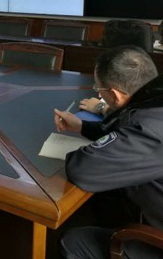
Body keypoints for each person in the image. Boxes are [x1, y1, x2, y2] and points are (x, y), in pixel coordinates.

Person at [55, 46, 163, 259]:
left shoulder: (149, 133)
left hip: (156, 241)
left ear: (114, 94)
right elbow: (126, 132)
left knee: (73, 241)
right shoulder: (153, 103)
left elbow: (82, 170)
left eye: (99, 87)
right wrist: (83, 127)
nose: (98, 93)